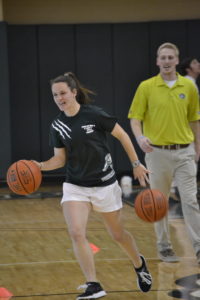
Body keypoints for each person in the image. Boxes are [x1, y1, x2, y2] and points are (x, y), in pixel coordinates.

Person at [33, 72, 152, 299]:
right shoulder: (57, 125)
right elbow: (59, 160)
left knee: (118, 235)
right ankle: (93, 284)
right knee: (76, 233)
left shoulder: (94, 115)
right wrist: (38, 166)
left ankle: (139, 264)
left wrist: (136, 163)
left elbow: (123, 135)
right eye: (55, 95)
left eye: (63, 93)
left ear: (74, 92)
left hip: (105, 185)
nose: (59, 98)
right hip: (76, 186)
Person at [128, 42, 200, 264]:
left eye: (171, 57)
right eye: (163, 58)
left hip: (185, 152)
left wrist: (198, 146)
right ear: (157, 61)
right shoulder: (146, 87)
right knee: (160, 202)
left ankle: (198, 247)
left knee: (190, 200)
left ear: (177, 61)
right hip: (157, 154)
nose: (167, 61)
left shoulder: (188, 88)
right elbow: (135, 118)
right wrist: (140, 138)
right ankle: (164, 247)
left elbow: (194, 119)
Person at [170, 56, 200, 200]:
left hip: (186, 128)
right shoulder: (188, 83)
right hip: (185, 130)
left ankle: (178, 189)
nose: (198, 64)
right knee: (190, 158)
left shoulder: (191, 83)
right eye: (194, 62)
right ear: (188, 68)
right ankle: (178, 189)